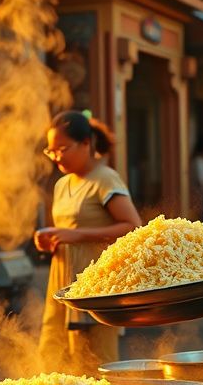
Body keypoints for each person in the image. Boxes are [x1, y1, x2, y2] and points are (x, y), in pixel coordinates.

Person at [35, 111, 142, 371]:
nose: (57, 156)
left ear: (86, 143)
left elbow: (133, 226)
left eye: (62, 148)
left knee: (95, 366)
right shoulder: (62, 184)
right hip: (61, 281)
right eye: (52, 151)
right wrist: (52, 239)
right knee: (55, 357)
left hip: (95, 284)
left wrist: (78, 236)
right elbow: (69, 229)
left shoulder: (105, 179)